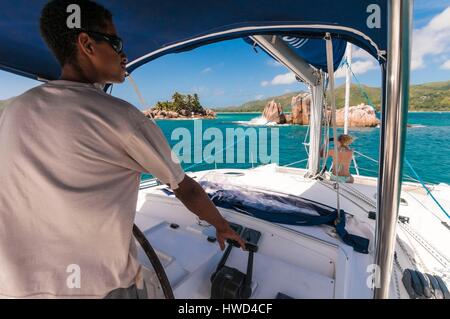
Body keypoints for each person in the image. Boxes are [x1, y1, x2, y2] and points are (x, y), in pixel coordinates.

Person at [0, 0, 244, 299]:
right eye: (116, 43)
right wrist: (221, 226)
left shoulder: (14, 109)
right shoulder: (121, 117)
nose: (124, 55)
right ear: (87, 43)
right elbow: (185, 188)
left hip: (13, 286)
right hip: (97, 288)